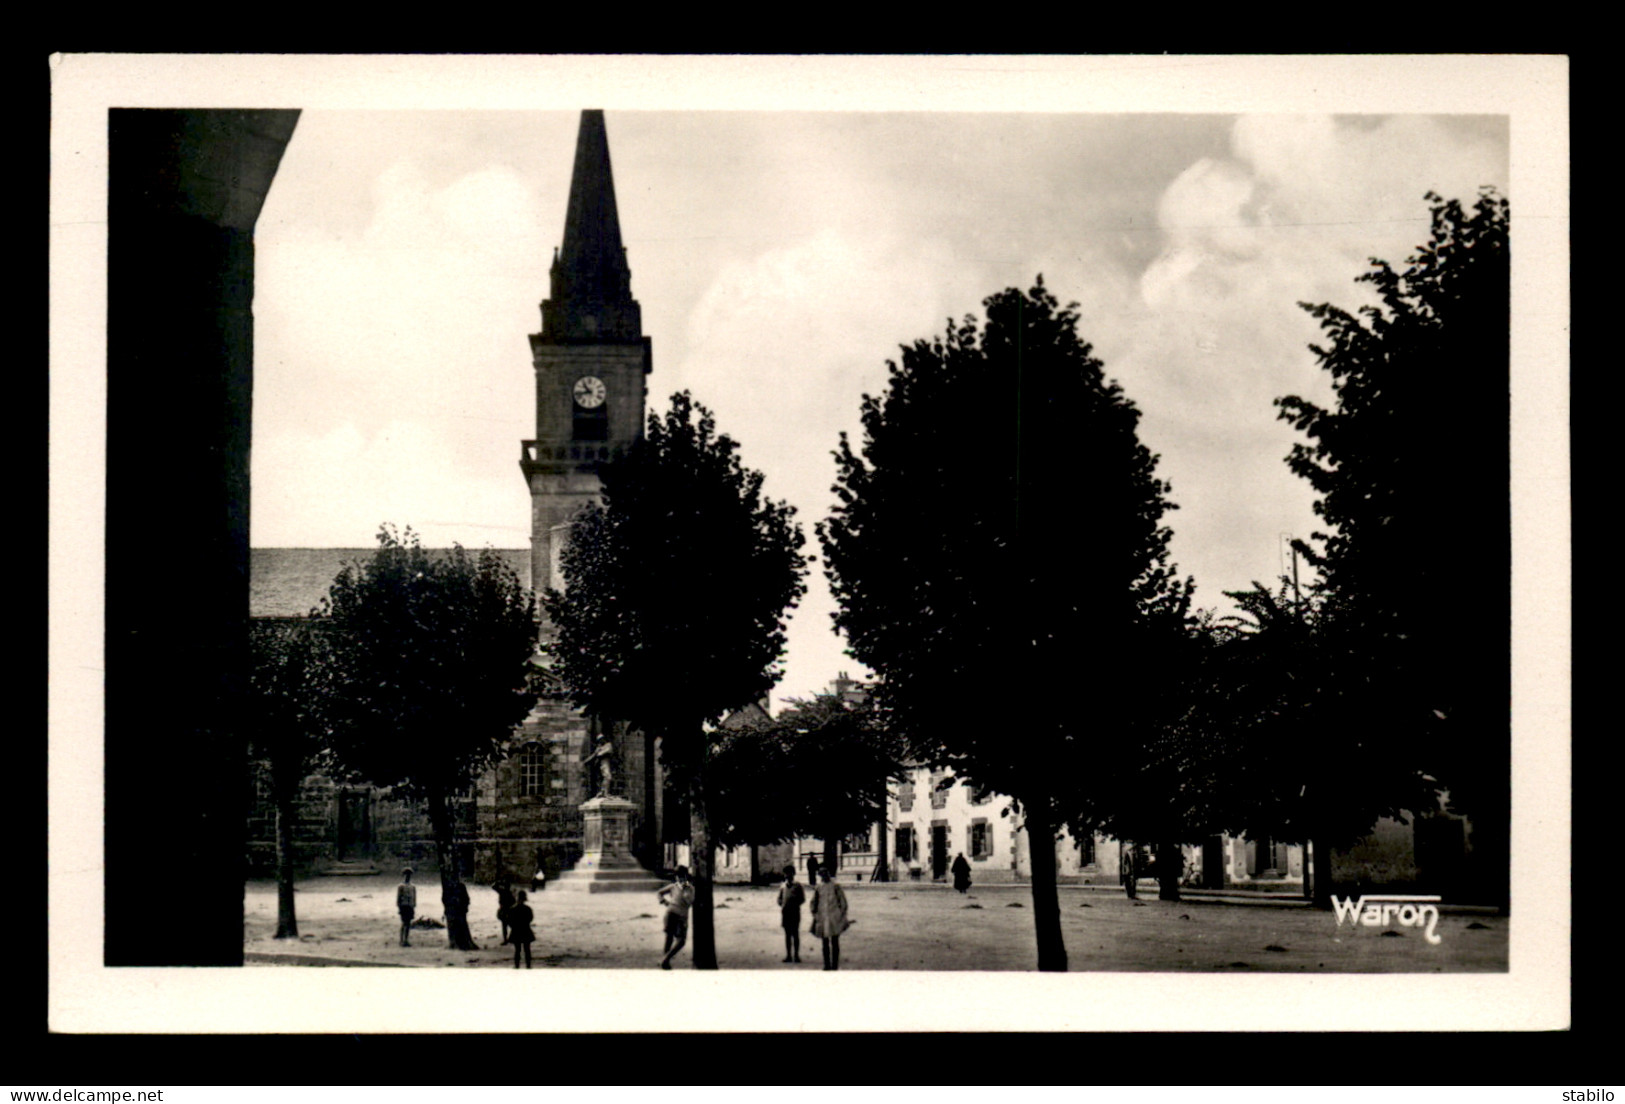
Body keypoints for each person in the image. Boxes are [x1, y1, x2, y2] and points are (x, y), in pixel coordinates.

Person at [809, 866, 851, 971]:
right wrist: (815, 914)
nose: (824, 875)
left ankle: (835, 965)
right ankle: (827, 965)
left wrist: (841, 914)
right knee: (825, 942)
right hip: (823, 917)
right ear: (819, 875)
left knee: (835, 941)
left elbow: (843, 902)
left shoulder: (836, 886)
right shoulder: (818, 888)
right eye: (821, 873)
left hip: (834, 917)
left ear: (828, 873)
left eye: (825, 873)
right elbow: (813, 902)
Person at [657, 866, 695, 970]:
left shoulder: (690, 887)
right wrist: (664, 902)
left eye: (682, 876)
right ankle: (665, 961)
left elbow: (690, 901)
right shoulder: (673, 886)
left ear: (686, 876)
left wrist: (685, 891)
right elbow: (659, 892)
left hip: (680, 915)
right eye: (678, 876)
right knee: (670, 937)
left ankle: (665, 958)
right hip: (673, 913)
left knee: (680, 940)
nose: (680, 879)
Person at [776, 863, 805, 964]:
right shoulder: (783, 886)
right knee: (787, 934)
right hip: (786, 913)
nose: (788, 875)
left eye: (790, 873)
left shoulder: (797, 886)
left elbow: (802, 899)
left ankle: (796, 955)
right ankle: (788, 955)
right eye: (786, 874)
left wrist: (795, 904)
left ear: (793, 874)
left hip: (795, 912)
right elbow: (779, 899)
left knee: (795, 934)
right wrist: (782, 904)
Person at [508, 890, 535, 969]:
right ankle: (528, 965)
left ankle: (517, 966)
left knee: (517, 950)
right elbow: (530, 918)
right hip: (526, 929)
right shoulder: (528, 909)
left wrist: (514, 926)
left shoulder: (512, 909)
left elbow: (509, 921)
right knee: (527, 949)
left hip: (516, 930)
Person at [493, 871, 516, 945]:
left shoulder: (502, 891)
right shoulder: (510, 893)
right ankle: (509, 938)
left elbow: (494, 886)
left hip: (504, 910)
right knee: (510, 925)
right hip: (509, 910)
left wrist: (498, 882)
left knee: (505, 925)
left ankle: (506, 939)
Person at [396, 868, 416, 947]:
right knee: (404, 923)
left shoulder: (412, 886)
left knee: (408, 924)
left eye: (409, 875)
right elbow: (398, 897)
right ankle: (401, 940)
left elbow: (414, 897)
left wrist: (413, 905)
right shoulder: (401, 886)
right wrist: (399, 907)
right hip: (403, 906)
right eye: (406, 875)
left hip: (410, 906)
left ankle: (406, 939)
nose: (408, 877)